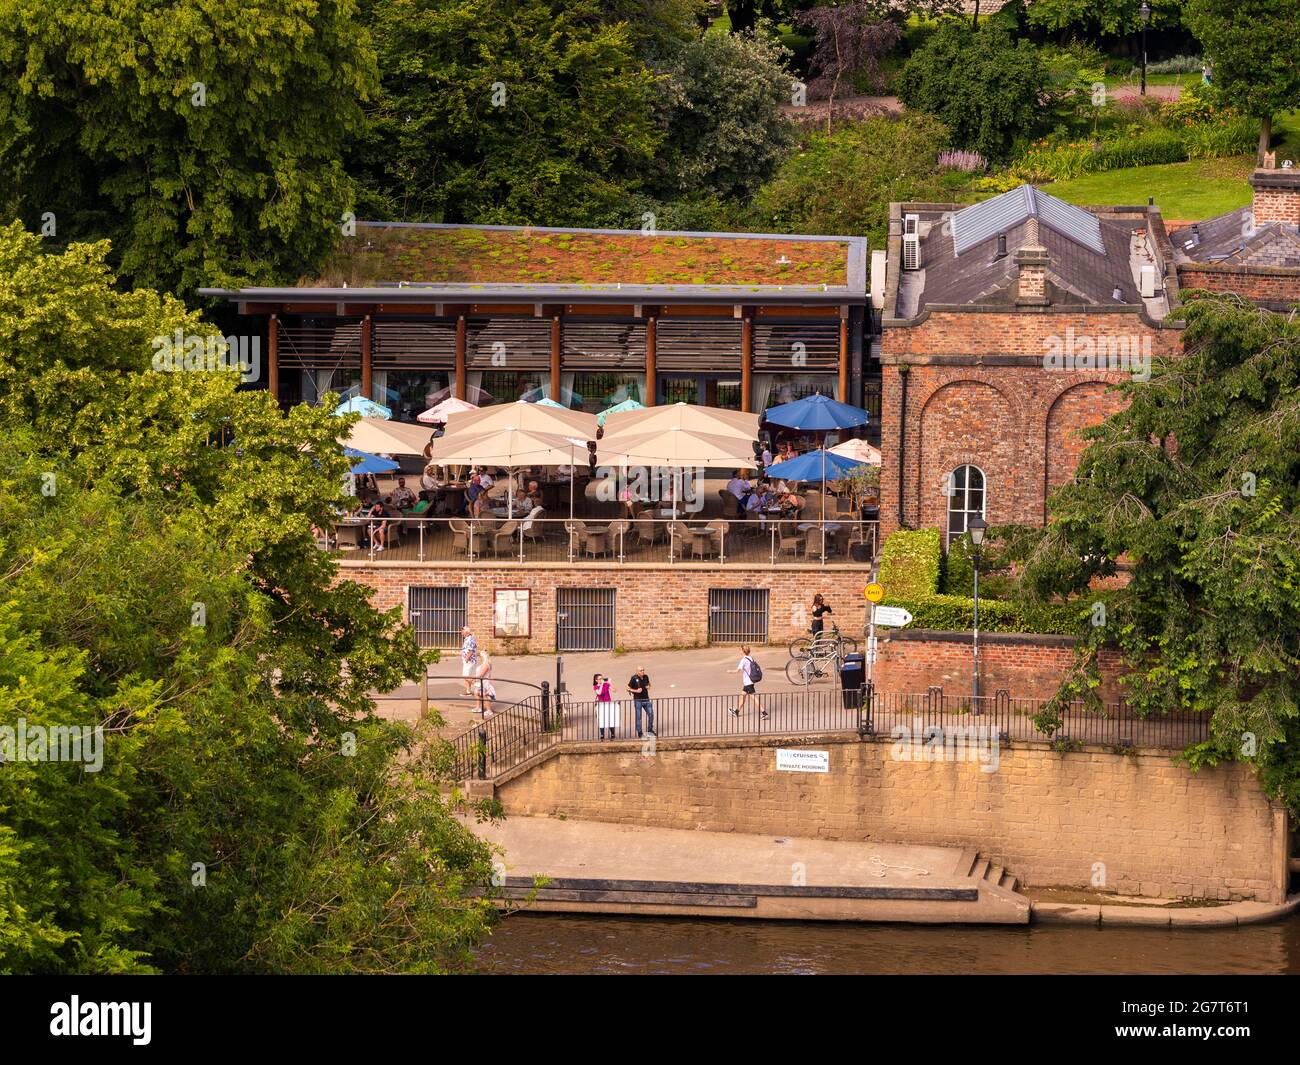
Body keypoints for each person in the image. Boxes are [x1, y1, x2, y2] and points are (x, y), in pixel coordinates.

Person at [728, 646, 767, 719]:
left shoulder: (743, 660)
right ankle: (736, 711)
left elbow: (737, 671)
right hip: (749, 682)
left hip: (748, 682)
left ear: (743, 651)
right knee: (742, 696)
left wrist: (730, 671)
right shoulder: (750, 658)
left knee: (754, 697)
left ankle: (764, 712)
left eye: (740, 650)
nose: (739, 651)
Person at [627, 666, 654, 738]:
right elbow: (627, 688)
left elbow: (649, 684)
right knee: (638, 717)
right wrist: (636, 691)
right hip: (638, 700)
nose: (643, 672)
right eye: (641, 670)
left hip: (646, 699)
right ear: (637, 672)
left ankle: (650, 729)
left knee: (651, 714)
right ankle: (639, 731)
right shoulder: (634, 678)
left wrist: (649, 686)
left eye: (643, 670)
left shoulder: (646, 677)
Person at [593, 673, 619, 740]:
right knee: (602, 719)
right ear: (596, 680)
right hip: (601, 704)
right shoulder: (595, 686)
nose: (601, 680)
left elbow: (614, 690)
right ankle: (602, 734)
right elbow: (599, 693)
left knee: (610, 719)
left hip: (608, 703)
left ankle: (612, 734)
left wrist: (610, 683)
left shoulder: (606, 684)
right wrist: (602, 684)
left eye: (602, 678)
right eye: (600, 679)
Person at [474, 649, 497, 716]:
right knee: (476, 692)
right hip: (480, 681)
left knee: (484, 695)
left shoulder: (486, 664)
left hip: (484, 682)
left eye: (480, 656)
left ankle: (489, 710)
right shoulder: (484, 663)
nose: (479, 658)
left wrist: (474, 678)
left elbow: (482, 674)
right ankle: (478, 707)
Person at [459, 626, 479, 697]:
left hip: (469, 660)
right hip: (468, 660)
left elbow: (470, 651)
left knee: (465, 676)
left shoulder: (470, 639)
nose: (461, 632)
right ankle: (468, 691)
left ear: (466, 632)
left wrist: (466, 659)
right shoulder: (467, 638)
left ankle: (478, 685)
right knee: (467, 675)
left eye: (462, 631)